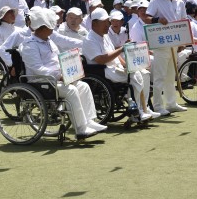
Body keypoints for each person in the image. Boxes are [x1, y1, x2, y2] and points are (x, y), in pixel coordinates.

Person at [19, 8, 106, 140]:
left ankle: (89, 121)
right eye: (50, 27)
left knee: (83, 86)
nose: (53, 29)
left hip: (57, 79)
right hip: (41, 82)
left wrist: (69, 69)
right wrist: (58, 75)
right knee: (71, 90)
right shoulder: (29, 45)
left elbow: (58, 60)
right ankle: (81, 128)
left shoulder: (49, 41)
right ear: (43, 28)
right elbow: (38, 69)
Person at [82, 8, 156, 121]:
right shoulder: (89, 39)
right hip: (102, 70)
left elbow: (115, 55)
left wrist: (127, 65)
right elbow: (101, 59)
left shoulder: (105, 36)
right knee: (135, 76)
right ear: (94, 24)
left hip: (114, 68)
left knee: (144, 74)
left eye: (107, 22)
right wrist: (121, 49)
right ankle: (135, 112)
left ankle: (144, 108)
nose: (107, 25)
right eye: (104, 22)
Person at [145, 0, 188, 115]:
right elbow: (146, 17)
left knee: (171, 75)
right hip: (161, 42)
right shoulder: (155, 0)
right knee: (160, 76)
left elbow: (183, 21)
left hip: (174, 42)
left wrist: (182, 42)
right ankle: (158, 106)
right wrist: (157, 20)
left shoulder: (180, 2)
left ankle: (171, 103)